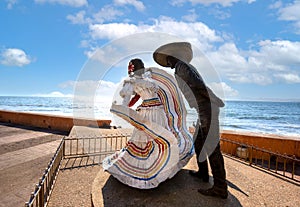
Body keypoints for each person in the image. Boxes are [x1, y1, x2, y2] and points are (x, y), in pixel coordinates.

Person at [102, 58, 193, 189]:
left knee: (154, 139)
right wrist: (127, 109)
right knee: (155, 139)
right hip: (157, 112)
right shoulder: (146, 80)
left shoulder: (136, 81)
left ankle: (158, 168)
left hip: (150, 113)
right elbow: (135, 99)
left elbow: (130, 101)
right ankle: (156, 170)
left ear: (132, 69)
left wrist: (124, 109)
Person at [153, 42, 228, 199]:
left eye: (168, 59)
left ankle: (220, 187)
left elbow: (199, 85)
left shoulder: (181, 67)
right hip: (203, 108)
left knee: (212, 147)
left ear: (174, 56)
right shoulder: (184, 68)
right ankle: (203, 173)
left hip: (208, 107)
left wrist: (214, 99)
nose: (167, 63)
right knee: (198, 142)